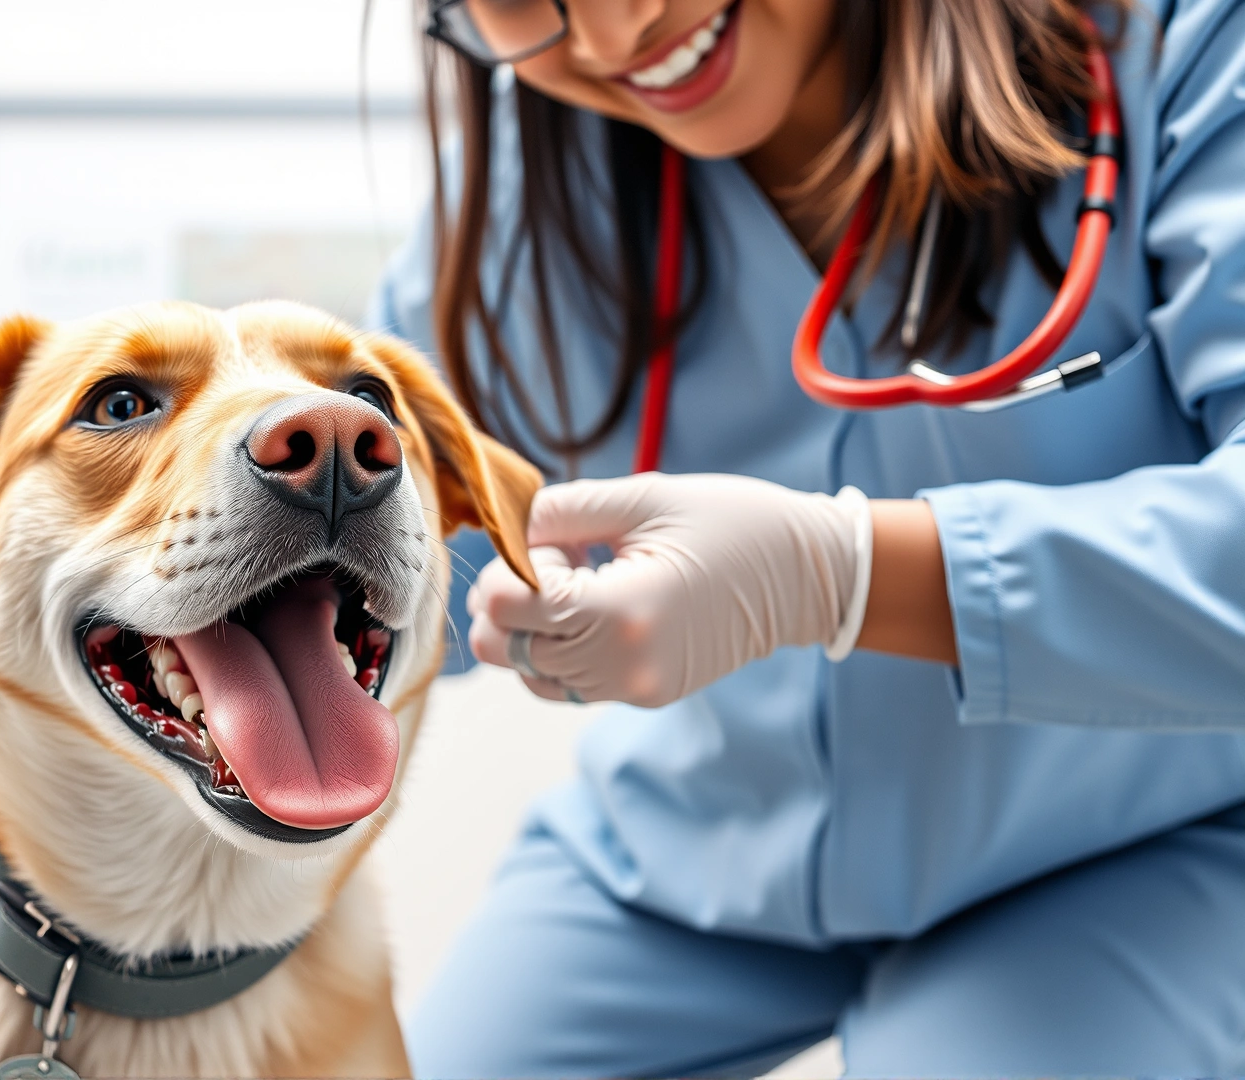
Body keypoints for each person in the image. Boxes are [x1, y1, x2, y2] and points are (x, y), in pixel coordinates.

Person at [367, 0, 1245, 1075]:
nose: (613, 33)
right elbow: (391, 568)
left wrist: (835, 576)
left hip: (1127, 845)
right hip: (701, 854)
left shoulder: (1181, 50)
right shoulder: (523, 195)